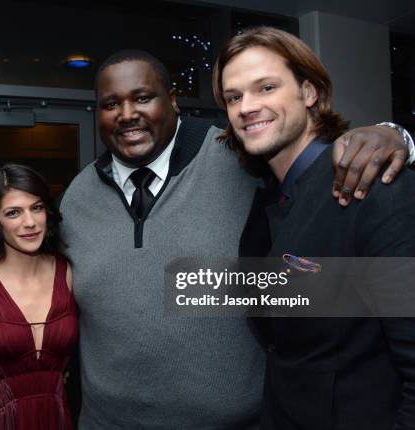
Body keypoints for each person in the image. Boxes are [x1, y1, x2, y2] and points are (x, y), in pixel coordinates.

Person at [58, 49, 414, 428]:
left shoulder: (240, 159)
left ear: (173, 99)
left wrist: (394, 135)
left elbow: (315, 156)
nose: (128, 114)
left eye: (143, 97)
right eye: (111, 104)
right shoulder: (77, 197)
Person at [213, 26, 415, 429]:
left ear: (309, 93)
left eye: (266, 87)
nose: (246, 107)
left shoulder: (371, 186)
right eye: (234, 97)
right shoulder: (266, 199)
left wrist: (399, 136)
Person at [0, 163, 78, 430]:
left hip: (57, 419)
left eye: (37, 208)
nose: (29, 222)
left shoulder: (68, 273)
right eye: (13, 213)